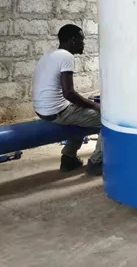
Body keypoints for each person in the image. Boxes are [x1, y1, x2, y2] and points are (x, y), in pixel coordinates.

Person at [31, 24, 103, 176]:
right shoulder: (67, 56)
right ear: (72, 40)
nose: (83, 43)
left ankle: (69, 158)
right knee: (106, 120)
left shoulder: (49, 54)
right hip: (58, 111)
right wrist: (96, 106)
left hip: (42, 110)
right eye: (81, 40)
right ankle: (97, 162)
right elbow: (69, 93)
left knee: (83, 113)